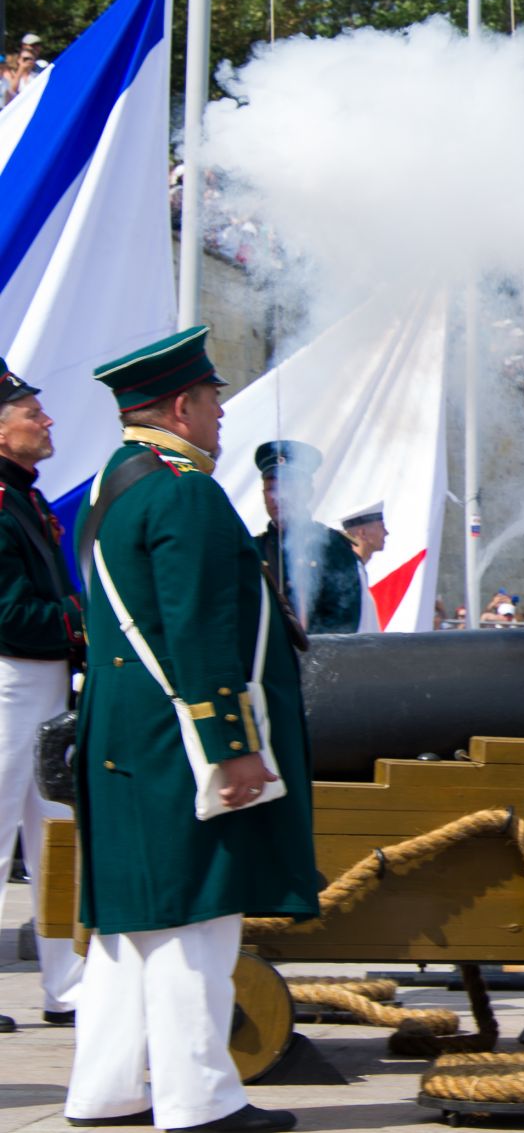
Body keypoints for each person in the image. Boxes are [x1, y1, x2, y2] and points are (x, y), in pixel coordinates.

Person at [66, 326, 317, 1132]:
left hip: (122, 730)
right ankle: (200, 1098)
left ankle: (106, 1090)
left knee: (130, 918)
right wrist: (231, 744)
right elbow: (199, 629)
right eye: (213, 402)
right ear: (181, 404)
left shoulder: (117, 481)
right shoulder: (184, 491)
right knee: (194, 913)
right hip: (179, 732)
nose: (219, 419)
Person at [0, 358, 85, 1032]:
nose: (46, 419)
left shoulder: (23, 493)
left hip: (43, 677)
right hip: (9, 678)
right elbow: (6, 611)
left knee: (55, 835)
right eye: (32, 412)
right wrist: (79, 625)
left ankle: (67, 984)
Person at [253, 441, 363, 634]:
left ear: (307, 492)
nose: (278, 496)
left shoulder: (333, 546)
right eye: (271, 488)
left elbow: (344, 621)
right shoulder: (254, 549)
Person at [338, 501, 387, 634]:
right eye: (381, 527)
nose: (386, 533)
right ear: (363, 533)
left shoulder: (357, 569)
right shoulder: (351, 572)